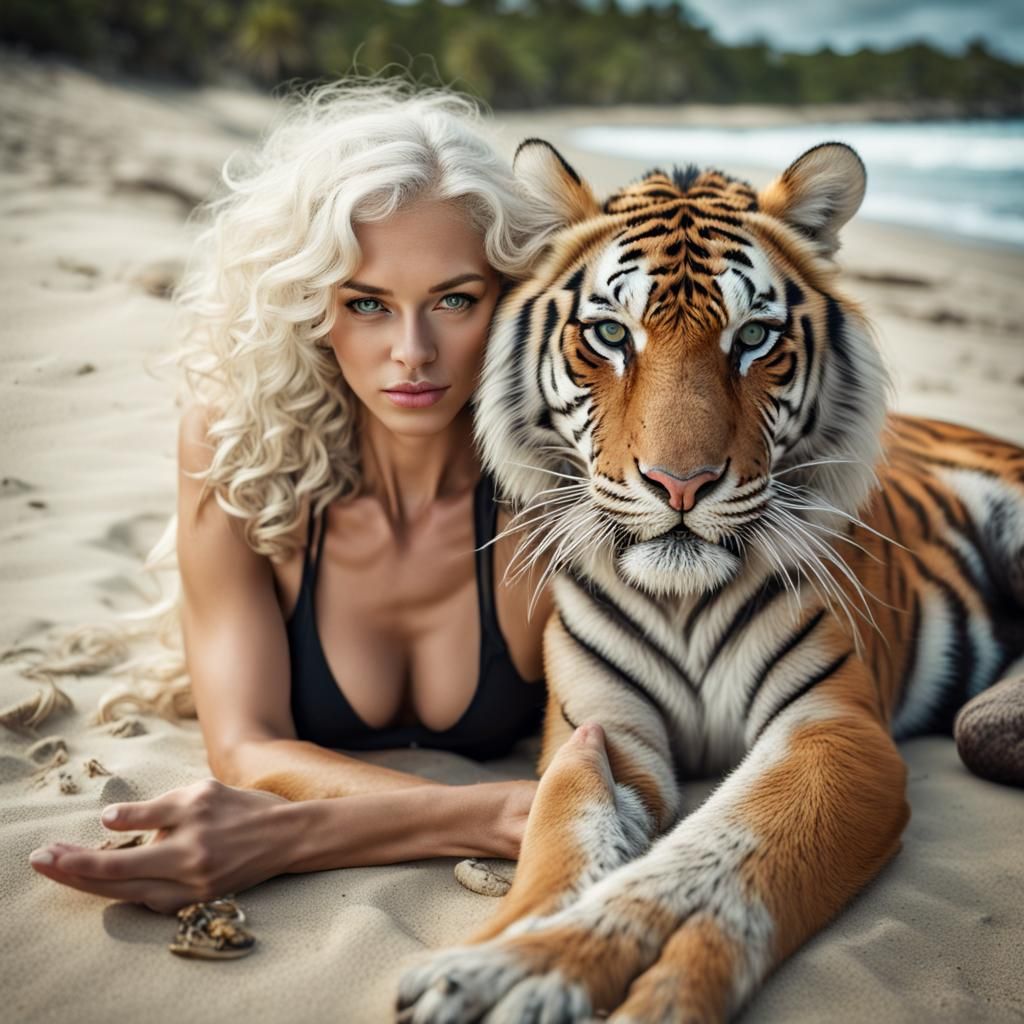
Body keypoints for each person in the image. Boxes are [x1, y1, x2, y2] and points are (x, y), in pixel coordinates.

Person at [26, 80, 603, 914]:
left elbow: (613, 760)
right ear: (310, 308)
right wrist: (508, 811)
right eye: (367, 303)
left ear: (512, 297)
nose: (413, 352)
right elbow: (245, 744)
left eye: (454, 299)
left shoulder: (559, 488)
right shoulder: (235, 448)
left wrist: (295, 833)